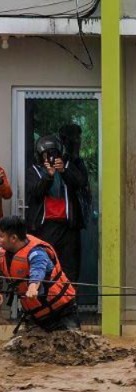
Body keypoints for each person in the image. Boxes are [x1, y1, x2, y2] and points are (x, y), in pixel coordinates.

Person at [25, 135, 89, 283]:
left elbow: (81, 183)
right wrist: (49, 176)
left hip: (68, 227)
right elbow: (36, 192)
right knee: (46, 265)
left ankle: (70, 302)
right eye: (47, 154)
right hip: (45, 228)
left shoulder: (66, 167)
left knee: (70, 268)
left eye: (54, 153)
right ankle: (46, 302)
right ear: (40, 155)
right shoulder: (33, 171)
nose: (51, 157)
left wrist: (64, 171)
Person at [0, 215, 79, 331]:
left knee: (73, 345)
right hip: (35, 317)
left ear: (13, 238)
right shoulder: (4, 252)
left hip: (62, 313)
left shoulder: (37, 252)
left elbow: (38, 270)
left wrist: (33, 287)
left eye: (1, 236)